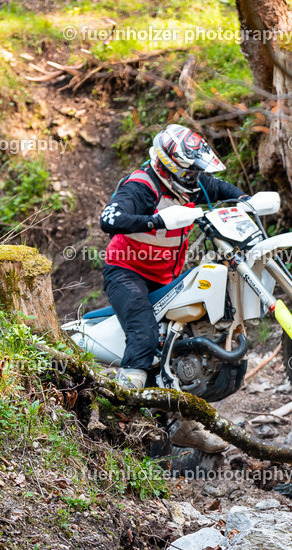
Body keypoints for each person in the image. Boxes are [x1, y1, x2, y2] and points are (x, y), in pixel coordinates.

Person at [99, 123, 247, 453]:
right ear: (170, 167)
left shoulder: (194, 184)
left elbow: (222, 188)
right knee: (144, 336)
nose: (195, 177)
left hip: (166, 276)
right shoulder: (143, 186)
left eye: (197, 171)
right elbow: (109, 219)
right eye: (190, 171)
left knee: (181, 343)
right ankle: (124, 415)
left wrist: (247, 201)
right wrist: (155, 221)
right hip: (127, 271)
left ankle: (181, 422)